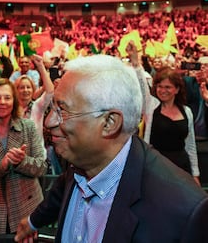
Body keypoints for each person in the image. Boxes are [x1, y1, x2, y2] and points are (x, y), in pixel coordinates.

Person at [14, 55, 208, 243]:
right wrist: (32, 221)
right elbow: (62, 188)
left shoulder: (182, 212)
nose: (49, 121)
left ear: (109, 123)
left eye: (62, 110)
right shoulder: (83, 160)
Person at [0, 78, 47, 240]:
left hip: (27, 210)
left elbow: (42, 167)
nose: (2, 102)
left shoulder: (28, 127)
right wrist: (2, 166)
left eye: (7, 97)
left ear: (14, 100)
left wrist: (22, 161)